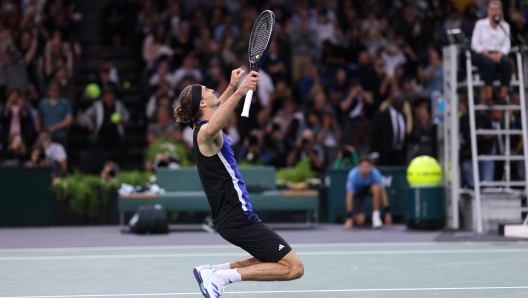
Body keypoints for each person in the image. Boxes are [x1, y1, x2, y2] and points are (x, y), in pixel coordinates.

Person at [174, 69, 303, 297]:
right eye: (207, 90)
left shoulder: (198, 127)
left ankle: (212, 271)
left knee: (269, 256)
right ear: (202, 103)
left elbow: (218, 110)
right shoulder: (206, 131)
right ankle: (220, 278)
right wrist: (242, 90)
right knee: (294, 268)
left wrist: (233, 86)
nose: (212, 90)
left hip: (229, 218)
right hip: (236, 217)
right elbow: (214, 125)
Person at [471, 0, 511, 104]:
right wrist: (489, 55)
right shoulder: (480, 24)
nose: (494, 12)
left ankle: (503, 96)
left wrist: (500, 54)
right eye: (492, 9)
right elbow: (475, 44)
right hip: (483, 54)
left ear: (501, 12)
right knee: (489, 64)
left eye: (496, 10)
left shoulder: (505, 26)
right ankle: (489, 97)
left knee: (507, 63)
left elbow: (507, 44)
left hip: (499, 54)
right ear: (488, 11)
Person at [343, 156, 393, 229]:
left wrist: (387, 212)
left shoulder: (375, 173)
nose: (365, 169)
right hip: (358, 193)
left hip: (370, 189)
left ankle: (376, 218)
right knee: (360, 221)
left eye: (367, 166)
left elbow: (383, 192)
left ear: (371, 166)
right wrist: (349, 217)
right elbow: (349, 197)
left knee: (376, 188)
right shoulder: (352, 175)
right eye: (363, 166)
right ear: (358, 166)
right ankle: (354, 217)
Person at [370, 90, 408, 166]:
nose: (399, 100)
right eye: (397, 98)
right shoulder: (382, 115)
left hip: (400, 155)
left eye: (401, 98)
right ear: (391, 100)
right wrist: (375, 153)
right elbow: (375, 134)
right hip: (385, 154)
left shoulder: (404, 116)